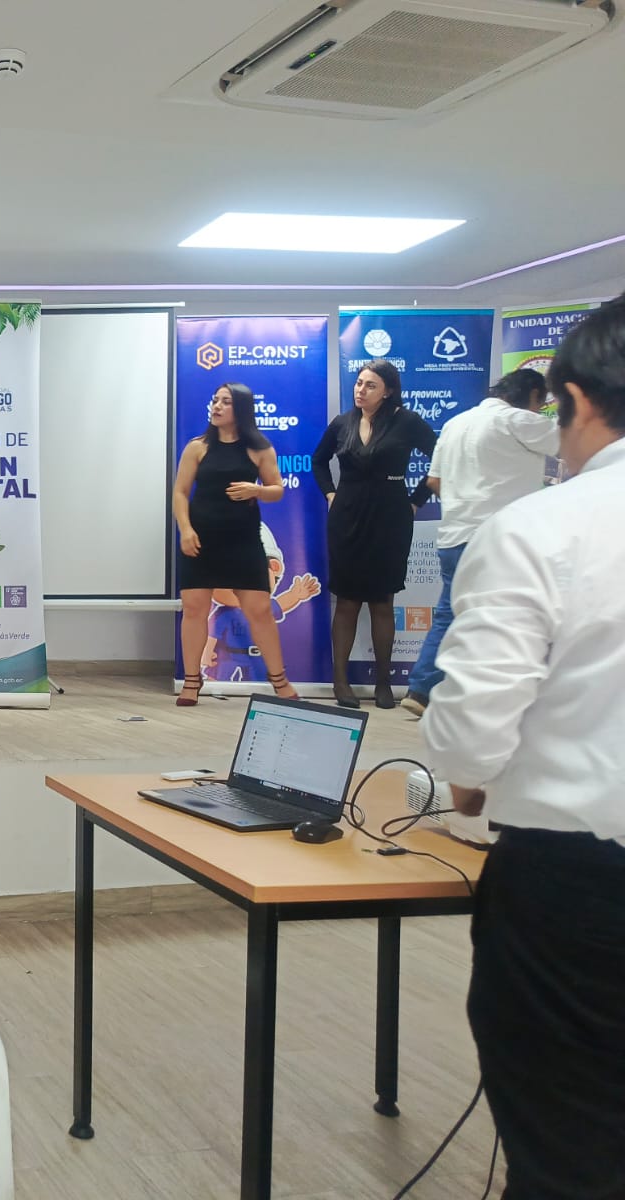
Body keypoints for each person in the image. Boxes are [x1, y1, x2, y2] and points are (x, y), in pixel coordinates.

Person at [421, 295, 625, 1200]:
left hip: (582, 890)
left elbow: (471, 733)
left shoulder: (546, 527)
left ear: (574, 401)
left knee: (571, 1149)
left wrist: (469, 786)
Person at [400, 368, 558, 716]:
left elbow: (434, 481)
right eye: (541, 402)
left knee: (449, 613)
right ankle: (482, 700)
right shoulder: (519, 420)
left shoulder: (455, 423)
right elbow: (571, 442)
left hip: (454, 536)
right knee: (505, 618)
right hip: (497, 537)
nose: (540, 409)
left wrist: (467, 500)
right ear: (532, 395)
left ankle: (422, 689)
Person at [313, 359, 437, 708]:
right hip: (347, 516)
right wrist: (330, 494)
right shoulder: (342, 422)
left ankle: (384, 684)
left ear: (388, 391)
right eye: (359, 383)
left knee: (383, 601)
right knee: (347, 600)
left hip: (390, 516)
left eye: (370, 385)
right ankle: (341, 683)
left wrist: (417, 500)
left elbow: (440, 457)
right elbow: (318, 461)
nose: (361, 390)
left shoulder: (406, 421)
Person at [172, 383, 297, 705]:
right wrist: (185, 529)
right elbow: (181, 492)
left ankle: (280, 681)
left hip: (243, 541)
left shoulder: (259, 448)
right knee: (194, 609)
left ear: (240, 408)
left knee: (260, 611)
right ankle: (191, 681)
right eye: (215, 400)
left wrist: (256, 491)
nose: (216, 406)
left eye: (225, 402)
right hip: (201, 540)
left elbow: (276, 489)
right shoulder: (197, 447)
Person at [202, 523, 322, 684]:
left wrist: (295, 595)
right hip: (227, 657)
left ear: (274, 568)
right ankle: (214, 685)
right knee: (218, 676)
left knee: (260, 680)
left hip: (257, 656)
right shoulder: (223, 614)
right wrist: (207, 653)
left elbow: (280, 603)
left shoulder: (262, 607)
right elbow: (212, 635)